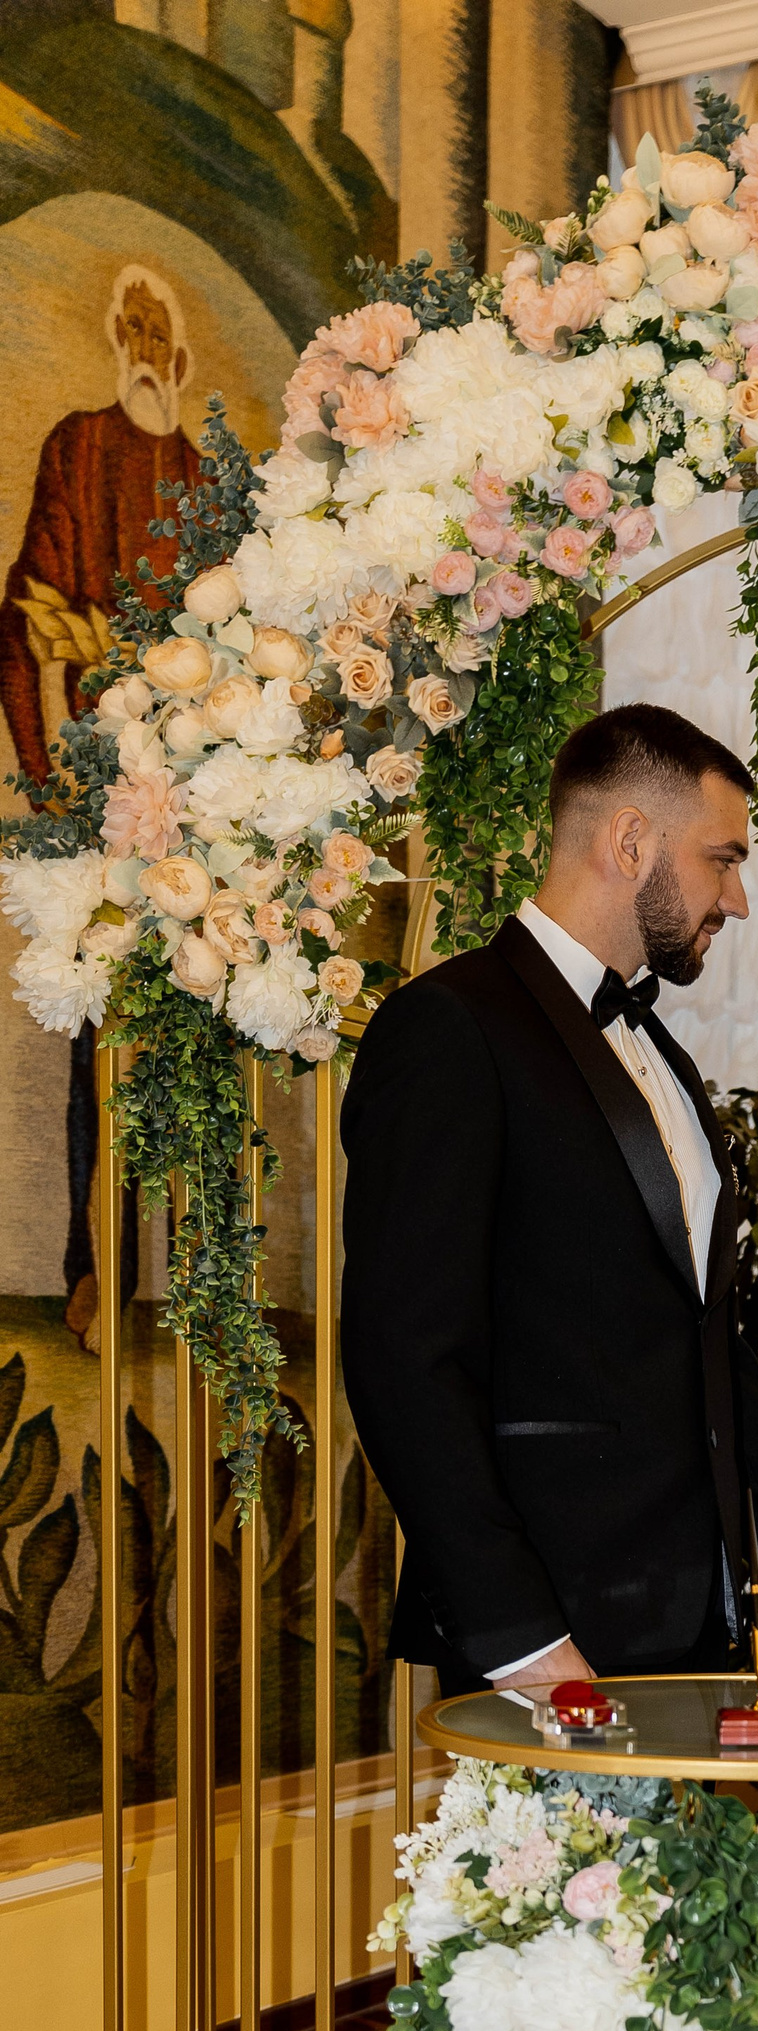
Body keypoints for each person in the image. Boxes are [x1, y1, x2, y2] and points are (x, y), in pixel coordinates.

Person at [341, 700, 758, 2031]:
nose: (733, 894)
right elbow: (402, 1356)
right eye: (722, 854)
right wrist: (523, 1638)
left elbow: (690, 1356)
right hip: (546, 1654)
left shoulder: (651, 1048)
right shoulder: (449, 1031)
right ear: (628, 842)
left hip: (679, 1633)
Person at [0, 264, 200, 1346]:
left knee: (198, 1051)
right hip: (101, 811)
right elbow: (26, 613)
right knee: (99, 1054)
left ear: (178, 355)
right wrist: (46, 776)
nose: (143, 346)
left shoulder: (204, 477)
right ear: (118, 342)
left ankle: (203, 1285)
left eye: (157, 331)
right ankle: (97, 1271)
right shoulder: (77, 449)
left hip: (200, 816)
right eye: (131, 327)